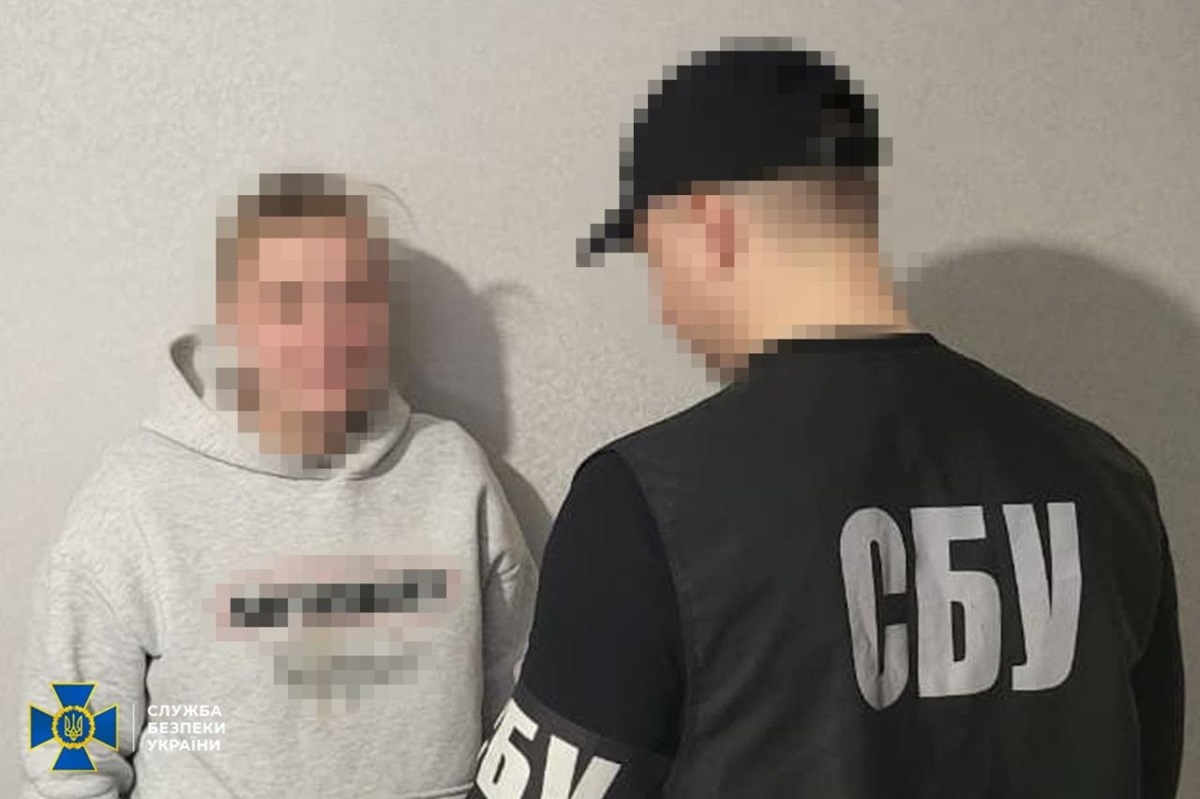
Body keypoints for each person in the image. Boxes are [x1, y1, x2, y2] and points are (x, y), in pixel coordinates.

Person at [468, 40, 1184, 798]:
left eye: (655, 257)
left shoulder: (643, 503)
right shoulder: (1107, 478)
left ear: (711, 227)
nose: (665, 304)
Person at [21, 172, 537, 798]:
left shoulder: (452, 473)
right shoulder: (135, 497)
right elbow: (68, 757)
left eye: (352, 298)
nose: (327, 332)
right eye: (290, 301)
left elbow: (526, 701)